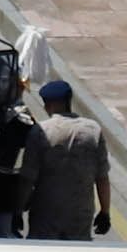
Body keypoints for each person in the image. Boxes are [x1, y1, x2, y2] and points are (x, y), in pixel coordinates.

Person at [26, 82, 109, 237]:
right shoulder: (93, 130)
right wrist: (105, 212)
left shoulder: (41, 131)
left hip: (46, 215)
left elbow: (28, 178)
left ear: (48, 105)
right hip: (80, 216)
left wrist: (18, 209)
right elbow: (102, 177)